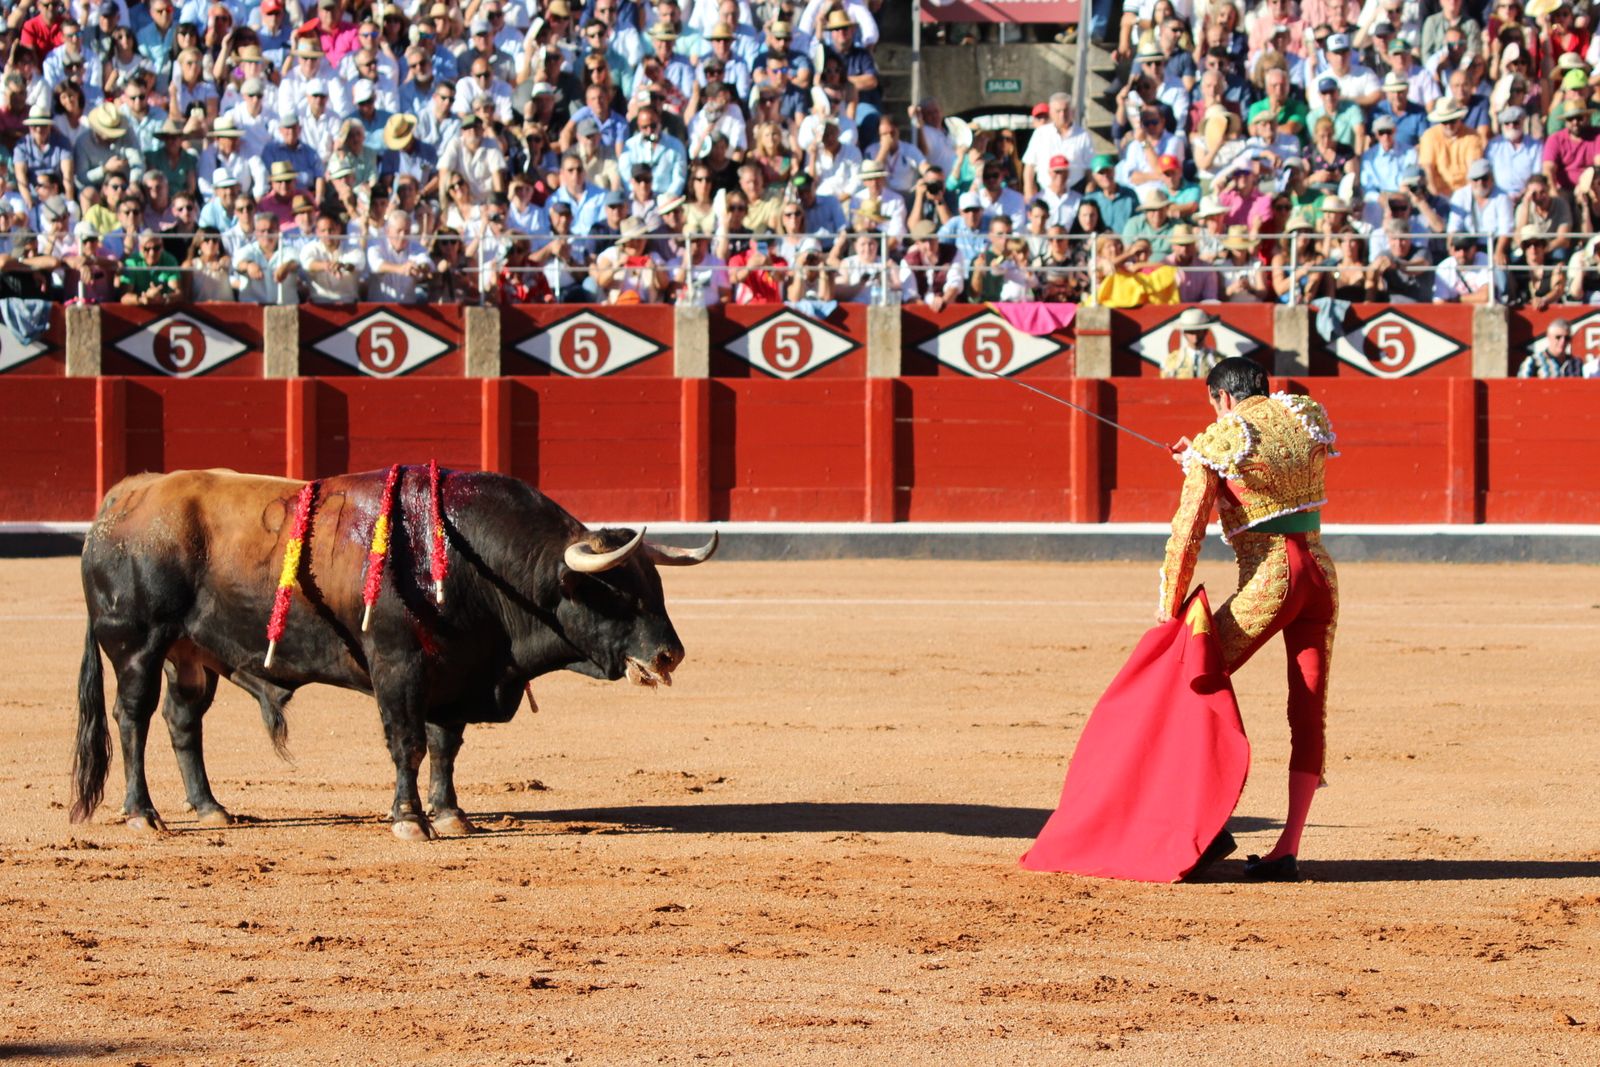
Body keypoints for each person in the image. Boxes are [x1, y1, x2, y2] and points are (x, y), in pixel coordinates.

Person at [1160, 357, 1340, 882]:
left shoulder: (1221, 437)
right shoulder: (1304, 414)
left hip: (1272, 580)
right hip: (1321, 578)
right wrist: (1199, 459)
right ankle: (1288, 848)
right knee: (1308, 713)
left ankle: (1207, 827)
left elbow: (1187, 533)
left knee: (1190, 678)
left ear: (1223, 397)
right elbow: (1267, 470)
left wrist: (1170, 612)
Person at [1162, 307, 1221, 379]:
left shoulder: (1218, 360)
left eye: (1198, 331)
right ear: (1184, 333)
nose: (1194, 336)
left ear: (1205, 331)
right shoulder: (1173, 360)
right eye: (1191, 332)